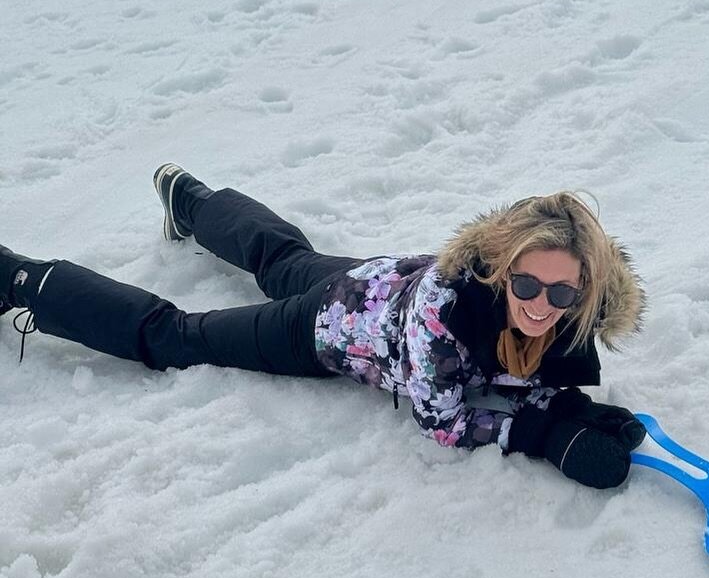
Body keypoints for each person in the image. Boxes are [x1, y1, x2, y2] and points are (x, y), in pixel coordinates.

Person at [0, 165, 647, 488]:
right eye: (525, 284)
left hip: (370, 277)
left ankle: (188, 201)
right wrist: (539, 434)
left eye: (559, 290)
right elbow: (441, 418)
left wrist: (568, 406)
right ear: (500, 268)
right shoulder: (445, 312)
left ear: (584, 287)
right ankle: (21, 278)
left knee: (283, 259)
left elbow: (519, 365)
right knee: (176, 335)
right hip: (328, 328)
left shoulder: (569, 310)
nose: (540, 303)